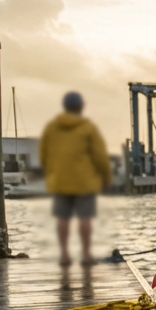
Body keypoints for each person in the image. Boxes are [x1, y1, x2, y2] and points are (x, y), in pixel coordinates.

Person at [40, 91, 111, 265]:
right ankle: (86, 254)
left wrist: (52, 171)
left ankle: (64, 255)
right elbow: (99, 155)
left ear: (64, 106)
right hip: (84, 181)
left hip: (60, 180)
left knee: (62, 218)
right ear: (81, 106)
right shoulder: (88, 128)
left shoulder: (52, 127)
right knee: (85, 218)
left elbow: (43, 153)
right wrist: (106, 175)